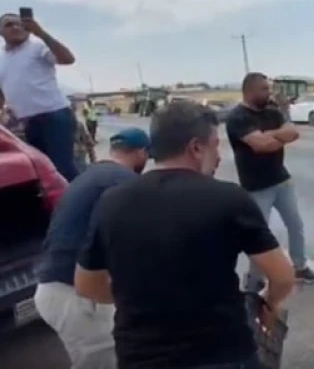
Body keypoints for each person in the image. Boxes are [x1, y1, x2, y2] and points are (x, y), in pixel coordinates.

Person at [74, 101, 295, 369]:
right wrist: (269, 306)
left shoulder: (111, 201)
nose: (219, 154)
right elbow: (282, 275)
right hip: (223, 353)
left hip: (140, 357)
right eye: (215, 144)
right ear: (196, 148)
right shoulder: (228, 198)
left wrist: (139, 296)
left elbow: (86, 285)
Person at [34, 127, 151, 369]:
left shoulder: (87, 177)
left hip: (57, 287)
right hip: (75, 295)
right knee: (106, 361)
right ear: (142, 153)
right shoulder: (124, 181)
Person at [226, 72, 314, 287]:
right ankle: (255, 279)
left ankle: (300, 267)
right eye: (264, 89)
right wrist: (278, 137)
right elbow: (261, 145)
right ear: (249, 91)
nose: (269, 93)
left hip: (281, 180)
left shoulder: (272, 112)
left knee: (295, 225)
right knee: (259, 235)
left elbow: (293, 133)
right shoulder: (238, 118)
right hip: (256, 187)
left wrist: (270, 136)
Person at [0, 12, 79, 181]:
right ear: (1, 32)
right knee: (41, 170)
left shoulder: (37, 46)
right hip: (27, 122)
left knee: (62, 169)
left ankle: (78, 204)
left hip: (54, 116)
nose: (15, 27)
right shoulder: (1, 58)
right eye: (9, 24)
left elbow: (68, 59)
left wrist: (41, 33)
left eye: (19, 23)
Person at [73, 105, 97, 172]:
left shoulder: (77, 124)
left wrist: (93, 159)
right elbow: (88, 141)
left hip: (77, 155)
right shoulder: (78, 124)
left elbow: (88, 141)